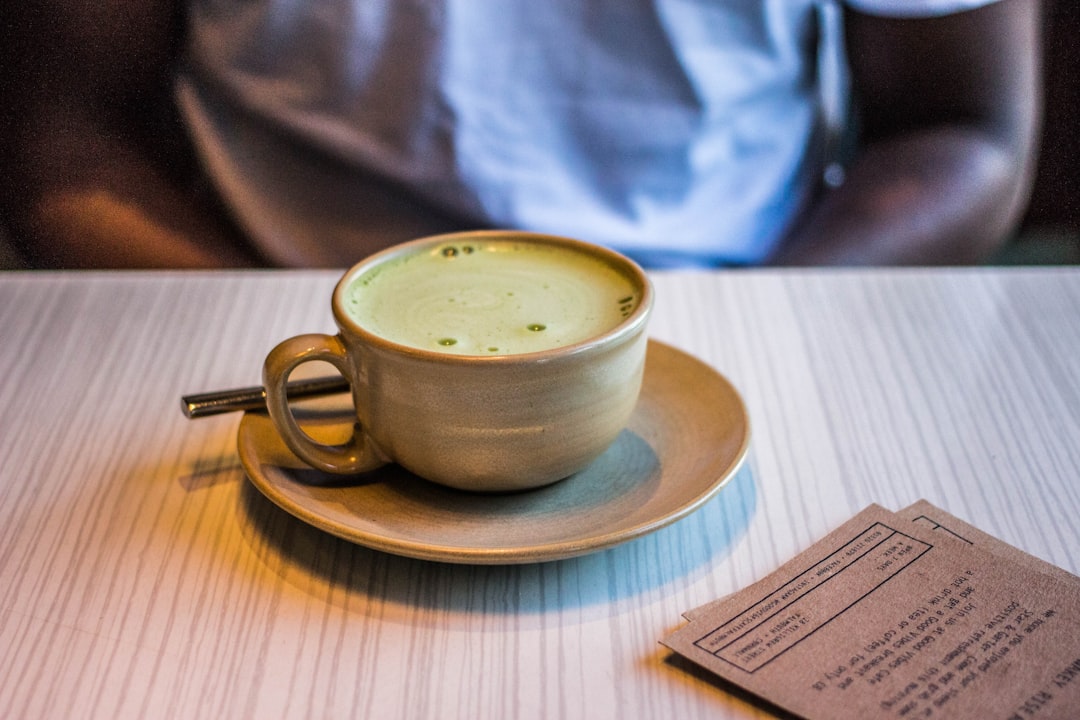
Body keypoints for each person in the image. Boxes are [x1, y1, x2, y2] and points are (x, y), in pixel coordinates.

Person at [1, 0, 1041, 269]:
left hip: (741, 294)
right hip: (256, 299)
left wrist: (750, 335)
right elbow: (57, 132)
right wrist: (300, 355)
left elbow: (963, 132)